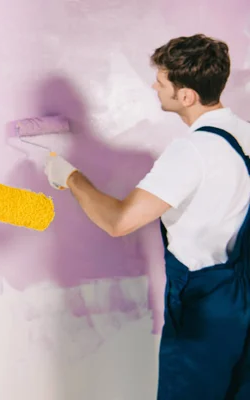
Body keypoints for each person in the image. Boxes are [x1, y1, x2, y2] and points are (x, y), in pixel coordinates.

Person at [44, 34, 250, 399]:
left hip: (205, 308)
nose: (154, 86)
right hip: (242, 297)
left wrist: (71, 178)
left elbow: (119, 221)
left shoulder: (192, 151)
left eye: (163, 81)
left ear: (186, 96)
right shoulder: (245, 134)